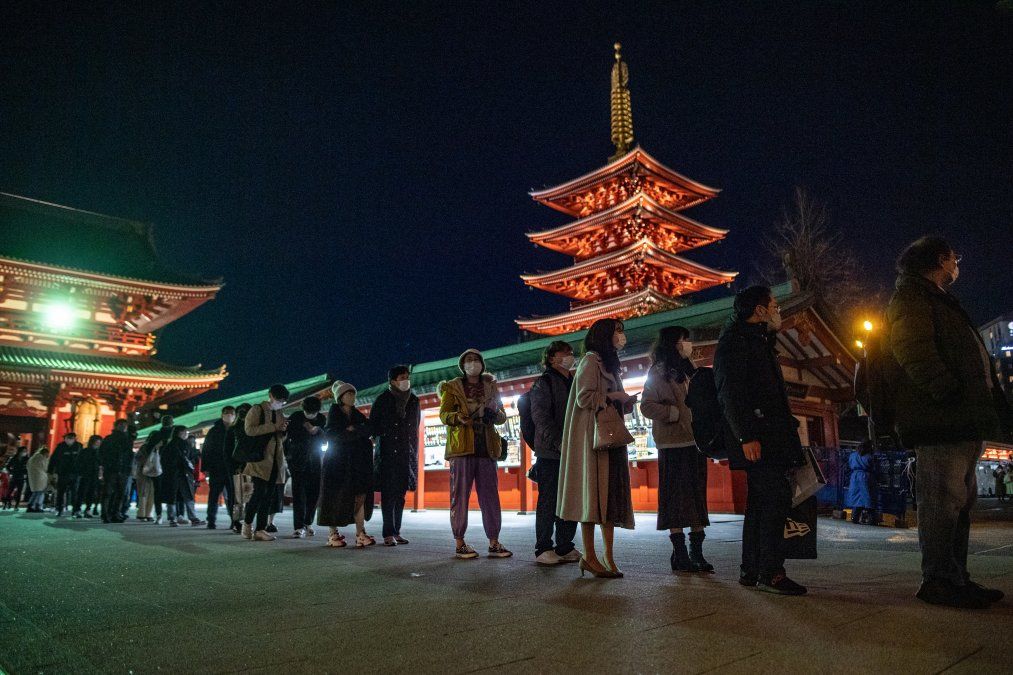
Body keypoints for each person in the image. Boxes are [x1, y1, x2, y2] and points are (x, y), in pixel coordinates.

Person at [887, 236, 1007, 608]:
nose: (957, 264)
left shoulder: (936, 298)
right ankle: (938, 579)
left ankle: (956, 576)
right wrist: (948, 391)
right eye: (955, 257)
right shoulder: (913, 298)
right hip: (941, 418)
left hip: (960, 417)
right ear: (941, 259)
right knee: (941, 501)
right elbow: (914, 349)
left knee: (959, 501)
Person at [714, 286, 807, 596]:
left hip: (772, 433)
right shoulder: (737, 342)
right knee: (774, 499)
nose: (777, 310)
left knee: (760, 502)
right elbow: (732, 393)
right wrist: (746, 435)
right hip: (759, 436)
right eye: (774, 305)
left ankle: (751, 569)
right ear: (759, 309)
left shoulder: (760, 341)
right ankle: (771, 571)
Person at [558, 319, 636, 579]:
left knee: (608, 497)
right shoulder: (590, 361)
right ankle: (591, 556)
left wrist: (625, 402)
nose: (621, 336)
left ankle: (608, 556)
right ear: (605, 335)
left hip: (609, 437)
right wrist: (615, 397)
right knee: (592, 498)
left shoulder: (611, 364)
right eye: (617, 331)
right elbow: (584, 397)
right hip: (592, 440)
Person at [641, 326, 713, 573]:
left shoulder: (690, 370)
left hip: (696, 441)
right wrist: (673, 413)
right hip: (672, 442)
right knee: (675, 497)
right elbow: (647, 406)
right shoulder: (658, 372)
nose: (687, 345)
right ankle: (679, 552)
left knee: (696, 495)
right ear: (672, 344)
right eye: (683, 340)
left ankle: (697, 551)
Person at [438, 349, 512, 560]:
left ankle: (494, 541)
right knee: (459, 495)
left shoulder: (491, 386)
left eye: (476, 360)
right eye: (468, 360)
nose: (473, 363)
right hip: (462, 447)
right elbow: (444, 414)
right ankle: (460, 542)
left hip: (486, 446)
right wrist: (458, 417)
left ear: (482, 363)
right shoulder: (451, 387)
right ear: (462, 365)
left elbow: (502, 416)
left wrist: (495, 414)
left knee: (490, 495)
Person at [528, 341, 579, 565]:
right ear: (551, 358)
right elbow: (541, 419)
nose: (570, 356)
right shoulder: (544, 383)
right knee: (548, 500)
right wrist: (559, 443)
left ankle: (565, 545)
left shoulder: (574, 381)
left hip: (574, 451)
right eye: (564, 353)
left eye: (571, 353)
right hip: (551, 453)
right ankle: (543, 547)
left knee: (571, 500)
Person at [320, 382, 376, 548]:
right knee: (335, 496)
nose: (353, 397)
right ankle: (333, 534)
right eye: (349, 394)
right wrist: (354, 432)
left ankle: (360, 533)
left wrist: (354, 429)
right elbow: (332, 435)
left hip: (356, 464)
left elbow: (369, 428)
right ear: (340, 397)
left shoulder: (357, 415)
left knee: (360, 496)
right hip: (336, 463)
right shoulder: (334, 413)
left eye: (354, 394)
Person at [370, 365, 420, 546]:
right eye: (402, 377)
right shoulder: (382, 399)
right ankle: (387, 533)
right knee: (388, 494)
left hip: (406, 452)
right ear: (392, 381)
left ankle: (397, 531)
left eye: (407, 377)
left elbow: (415, 425)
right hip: (387, 452)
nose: (406, 380)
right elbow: (373, 426)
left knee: (400, 494)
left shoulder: (414, 400)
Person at [242, 384, 289, 542]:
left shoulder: (280, 412)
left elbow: (280, 437)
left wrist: (282, 431)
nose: (280, 403)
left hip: (276, 460)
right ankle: (247, 524)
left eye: (282, 401)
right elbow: (249, 430)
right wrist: (273, 427)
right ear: (270, 395)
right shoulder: (257, 409)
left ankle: (260, 529)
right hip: (259, 460)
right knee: (257, 494)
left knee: (268, 496)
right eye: (278, 399)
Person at [284, 396, 326, 538]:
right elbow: (287, 436)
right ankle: (298, 526)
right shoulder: (295, 417)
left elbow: (326, 437)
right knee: (299, 494)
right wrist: (288, 457)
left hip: (315, 460)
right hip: (297, 461)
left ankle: (308, 522)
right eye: (308, 412)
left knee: (313, 493)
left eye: (313, 412)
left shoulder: (321, 419)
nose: (311, 414)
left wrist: (317, 430)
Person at [201, 406, 236, 530]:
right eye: (226, 413)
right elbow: (206, 449)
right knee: (214, 495)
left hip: (232, 468)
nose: (229, 415)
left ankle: (234, 520)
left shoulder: (236, 429)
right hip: (216, 468)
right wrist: (205, 467)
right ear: (222, 415)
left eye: (231, 413)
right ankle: (211, 520)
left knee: (233, 496)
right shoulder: (214, 431)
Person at [161, 426, 203, 527]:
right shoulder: (184, 444)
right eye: (186, 432)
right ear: (181, 433)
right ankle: (193, 518)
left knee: (172, 497)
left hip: (171, 474)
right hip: (184, 474)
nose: (187, 434)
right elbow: (190, 457)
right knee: (188, 495)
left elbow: (163, 460)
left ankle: (172, 519)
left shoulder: (169, 445)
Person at [99, 420, 132, 523]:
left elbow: (129, 455)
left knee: (121, 493)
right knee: (108, 492)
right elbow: (102, 453)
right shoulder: (109, 439)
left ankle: (115, 513)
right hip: (112, 469)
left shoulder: (128, 439)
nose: (124, 427)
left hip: (122, 469)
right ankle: (106, 514)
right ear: (116, 426)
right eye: (121, 425)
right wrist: (106, 464)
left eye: (125, 425)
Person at [227, 403, 254, 533]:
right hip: (239, 466)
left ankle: (243, 522)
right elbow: (227, 451)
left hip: (248, 465)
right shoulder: (233, 430)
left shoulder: (248, 428)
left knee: (246, 496)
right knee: (240, 497)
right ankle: (237, 521)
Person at [49, 432, 84, 517]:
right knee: (61, 492)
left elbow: (83, 459)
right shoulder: (60, 446)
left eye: (72, 438)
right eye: (68, 438)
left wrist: (82, 470)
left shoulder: (79, 446)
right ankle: (59, 509)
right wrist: (51, 470)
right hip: (63, 472)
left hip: (75, 473)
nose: (70, 440)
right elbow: (54, 458)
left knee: (75, 492)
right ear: (65, 438)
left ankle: (75, 510)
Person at [846, 442, 877, 525]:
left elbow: (849, 464)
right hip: (865, 476)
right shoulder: (869, 456)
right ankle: (871, 519)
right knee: (868, 497)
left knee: (856, 498)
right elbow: (873, 467)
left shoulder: (853, 455)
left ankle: (854, 518)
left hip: (855, 477)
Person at [73, 434, 102, 519]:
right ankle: (77, 509)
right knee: (81, 493)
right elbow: (78, 463)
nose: (98, 443)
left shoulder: (99, 453)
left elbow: (101, 464)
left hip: (95, 475)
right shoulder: (85, 452)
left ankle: (88, 509)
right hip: (85, 475)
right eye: (97, 442)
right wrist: (80, 472)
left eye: (99, 442)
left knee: (92, 493)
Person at [26, 447, 50, 512]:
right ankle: (37, 506)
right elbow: (46, 468)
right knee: (40, 492)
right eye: (48, 454)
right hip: (41, 477)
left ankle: (31, 505)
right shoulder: (42, 458)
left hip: (33, 477)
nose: (48, 456)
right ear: (45, 453)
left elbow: (27, 466)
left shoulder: (33, 458)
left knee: (36, 492)